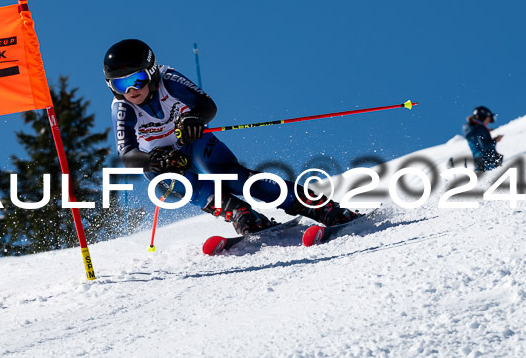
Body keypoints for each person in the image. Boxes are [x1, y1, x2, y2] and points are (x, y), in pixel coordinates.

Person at [105, 39, 357, 235]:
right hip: (166, 159)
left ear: (150, 72)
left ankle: (319, 207)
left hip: (191, 141)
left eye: (136, 80)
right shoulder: (123, 108)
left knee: (232, 177)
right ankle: (240, 214)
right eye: (119, 85)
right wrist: (153, 160)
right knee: (171, 181)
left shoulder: (168, 80)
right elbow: (127, 155)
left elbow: (208, 106)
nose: (130, 90)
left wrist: (194, 119)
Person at [463, 105, 504, 172]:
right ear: (483, 117)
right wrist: (495, 140)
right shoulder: (480, 129)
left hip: (479, 162)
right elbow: (485, 146)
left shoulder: (473, 129)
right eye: (488, 119)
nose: (488, 122)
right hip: (488, 162)